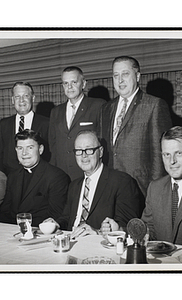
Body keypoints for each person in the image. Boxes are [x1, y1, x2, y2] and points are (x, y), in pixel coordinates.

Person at [46, 130, 142, 238]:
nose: (84, 156)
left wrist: (97, 232)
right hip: (72, 242)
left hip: (100, 247)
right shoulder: (74, 186)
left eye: (89, 150)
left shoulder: (122, 182)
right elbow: (67, 218)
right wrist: (56, 224)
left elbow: (127, 227)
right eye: (79, 151)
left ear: (100, 152)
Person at [101, 56, 172, 197]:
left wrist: (155, 193)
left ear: (138, 76)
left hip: (141, 189)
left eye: (125, 74)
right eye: (116, 75)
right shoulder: (106, 108)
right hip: (110, 188)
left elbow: (160, 155)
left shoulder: (154, 105)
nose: (120, 80)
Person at [0, 129, 70, 227]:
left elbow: (55, 217)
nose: (24, 153)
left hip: (40, 233)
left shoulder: (56, 177)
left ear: (40, 150)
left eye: (30, 148)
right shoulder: (13, 176)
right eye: (20, 148)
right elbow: (4, 212)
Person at [49, 66, 106, 181]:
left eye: (74, 82)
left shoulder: (98, 106)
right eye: (65, 83)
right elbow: (53, 146)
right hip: (61, 176)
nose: (69, 87)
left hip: (88, 175)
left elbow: (104, 141)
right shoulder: (56, 111)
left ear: (83, 84)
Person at [0, 81, 49, 175]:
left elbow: (49, 155)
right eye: (17, 97)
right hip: (10, 177)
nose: (21, 100)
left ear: (33, 98)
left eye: (26, 96)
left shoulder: (46, 123)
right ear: (12, 100)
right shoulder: (4, 124)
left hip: (38, 176)